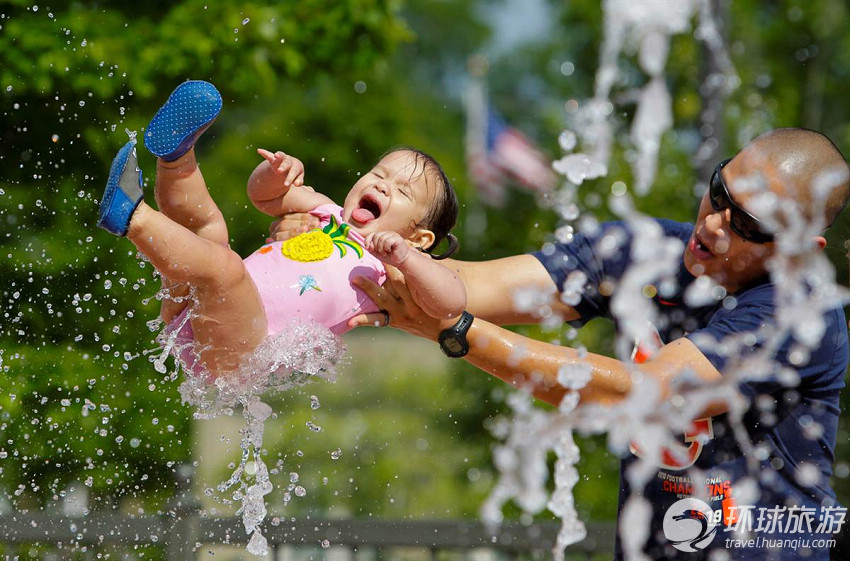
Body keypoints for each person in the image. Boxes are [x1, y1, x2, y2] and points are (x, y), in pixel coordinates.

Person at [273, 128, 850, 560]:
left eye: (749, 224)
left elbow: (647, 395)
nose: (716, 223)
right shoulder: (642, 251)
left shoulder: (802, 314)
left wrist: (456, 333)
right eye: (720, 190)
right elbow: (468, 287)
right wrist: (341, 244)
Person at [97, 80, 466, 379]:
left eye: (402, 191)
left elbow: (450, 302)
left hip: (245, 348)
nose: (383, 185)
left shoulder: (390, 270)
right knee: (207, 231)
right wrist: (276, 174)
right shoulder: (327, 210)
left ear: (420, 238)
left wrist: (406, 257)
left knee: (225, 268)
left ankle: (133, 215)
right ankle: (176, 160)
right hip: (203, 311)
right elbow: (265, 198)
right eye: (378, 173)